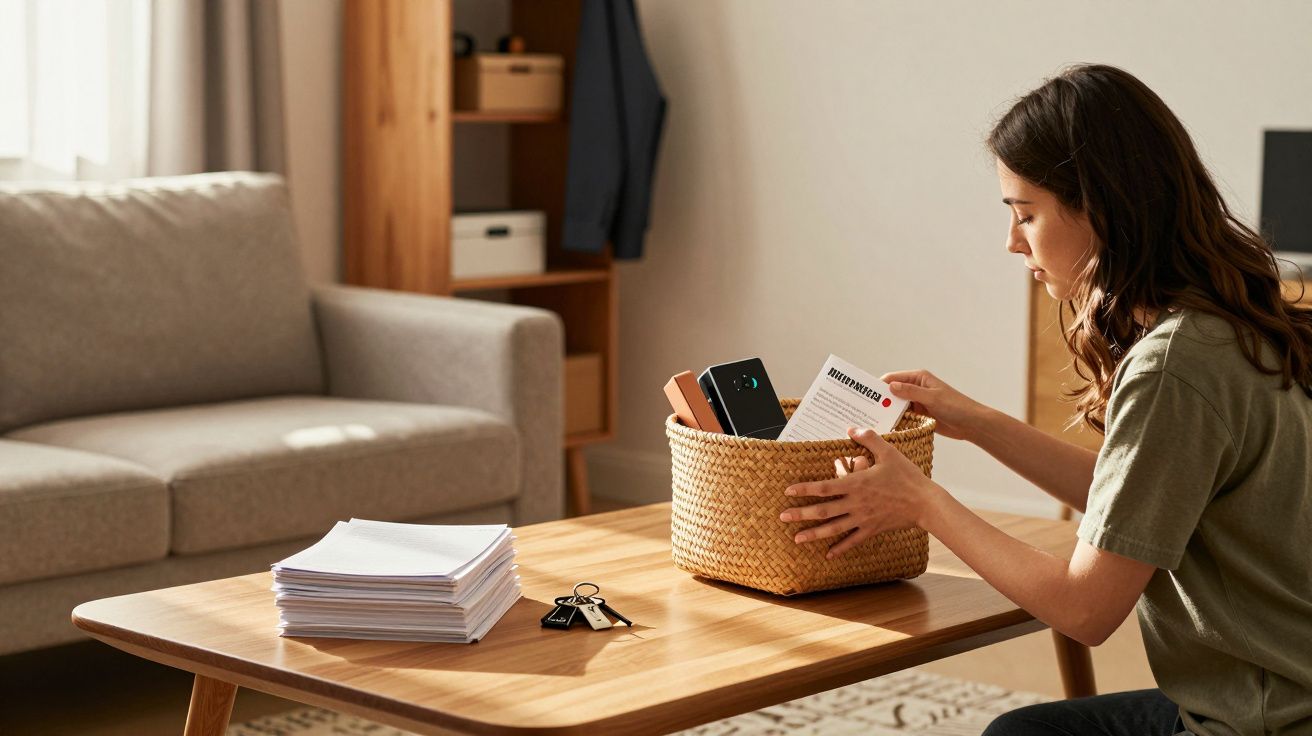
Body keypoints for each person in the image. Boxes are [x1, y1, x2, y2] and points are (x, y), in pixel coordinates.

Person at [777, 64, 1312, 735]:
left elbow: (1086, 610)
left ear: (1103, 209)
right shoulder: (1232, 324)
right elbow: (1142, 499)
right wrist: (978, 421)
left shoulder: (1175, 366)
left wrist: (920, 502)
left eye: (1026, 215)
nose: (1011, 241)